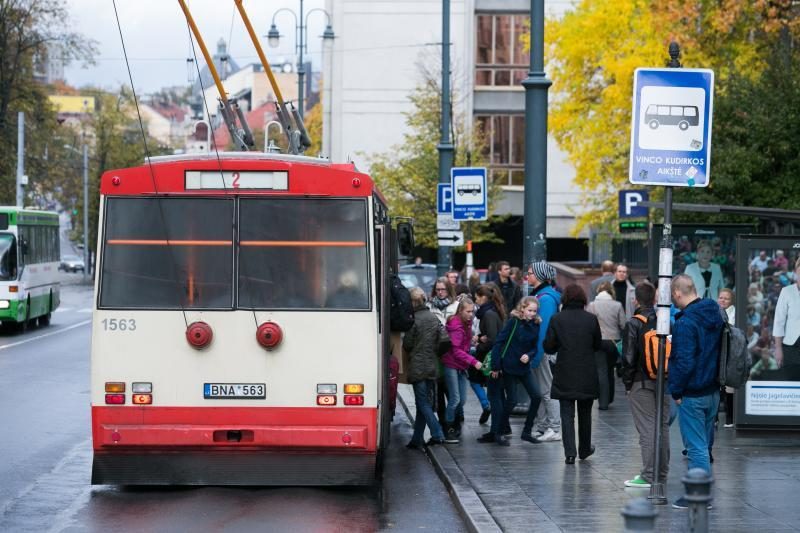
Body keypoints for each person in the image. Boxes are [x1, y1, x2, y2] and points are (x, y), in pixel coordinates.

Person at [669, 274, 724, 510]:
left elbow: (684, 361)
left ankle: (700, 496)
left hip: (693, 392)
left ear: (678, 294)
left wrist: (677, 390)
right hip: (713, 389)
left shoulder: (685, 322)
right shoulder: (715, 312)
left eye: (673, 296)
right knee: (703, 444)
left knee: (696, 447)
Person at [544, 284, 602, 464]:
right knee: (585, 414)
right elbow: (597, 345)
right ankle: (584, 449)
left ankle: (570, 452)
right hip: (586, 372)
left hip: (565, 370)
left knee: (566, 414)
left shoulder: (557, 319)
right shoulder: (591, 319)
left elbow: (549, 346)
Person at [621, 282, 670, 489]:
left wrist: (627, 382)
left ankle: (649, 476)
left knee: (647, 429)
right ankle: (662, 472)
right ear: (654, 299)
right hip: (663, 380)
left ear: (636, 300)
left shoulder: (634, 323)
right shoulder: (663, 321)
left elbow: (629, 357)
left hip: (641, 382)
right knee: (662, 427)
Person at [488, 296, 543, 445]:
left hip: (524, 367)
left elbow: (535, 347)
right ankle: (499, 432)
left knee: (537, 396)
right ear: (522, 308)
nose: (532, 314)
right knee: (511, 400)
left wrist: (529, 356)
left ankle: (527, 431)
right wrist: (496, 366)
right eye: (530, 310)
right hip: (509, 365)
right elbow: (499, 343)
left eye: (534, 311)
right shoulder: (513, 322)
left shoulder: (536, 324)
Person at [403, 288, 446, 448]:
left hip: (418, 366)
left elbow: (407, 344)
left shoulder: (413, 320)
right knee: (424, 403)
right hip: (432, 365)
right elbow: (441, 341)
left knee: (422, 403)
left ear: (413, 302)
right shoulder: (434, 318)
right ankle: (417, 439)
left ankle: (437, 433)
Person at [528, 261, 563, 443]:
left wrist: (537, 353)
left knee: (546, 390)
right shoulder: (544, 295)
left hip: (541, 351)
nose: (528, 276)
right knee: (540, 390)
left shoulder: (545, 298)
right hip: (539, 350)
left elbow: (544, 329)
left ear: (540, 276)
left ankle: (554, 428)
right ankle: (543, 426)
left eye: (531, 273)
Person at [441, 297, 483, 443]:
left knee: (462, 399)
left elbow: (463, 344)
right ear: (460, 311)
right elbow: (456, 350)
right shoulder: (456, 325)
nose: (471, 314)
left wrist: (473, 340)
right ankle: (449, 428)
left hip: (461, 365)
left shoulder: (467, 323)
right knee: (455, 399)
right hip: (451, 364)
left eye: (473, 311)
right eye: (468, 311)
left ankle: (455, 424)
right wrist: (474, 361)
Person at [586, 281, 627, 410]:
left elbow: (589, 324)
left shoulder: (592, 305)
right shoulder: (617, 305)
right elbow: (623, 324)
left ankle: (603, 402)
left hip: (598, 341)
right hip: (613, 341)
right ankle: (609, 398)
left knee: (601, 371)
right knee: (610, 370)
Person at [472, 284, 507, 430]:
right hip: (495, 358)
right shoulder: (494, 311)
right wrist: (481, 338)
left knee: (495, 395)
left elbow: (492, 339)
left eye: (477, 298)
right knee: (498, 394)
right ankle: (503, 427)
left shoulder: (489, 314)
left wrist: (479, 344)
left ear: (484, 298)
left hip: (492, 359)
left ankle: (497, 428)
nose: (475, 300)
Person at [773, 259, 800, 377]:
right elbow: (779, 322)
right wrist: (778, 348)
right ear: (796, 270)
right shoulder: (787, 291)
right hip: (790, 346)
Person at [718, 288, 736, 428]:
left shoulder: (735, 313)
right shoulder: (715, 312)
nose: (723, 300)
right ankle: (715, 419)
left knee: (729, 386)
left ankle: (730, 418)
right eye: (721, 297)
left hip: (730, 353)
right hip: (718, 352)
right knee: (718, 385)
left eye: (726, 298)